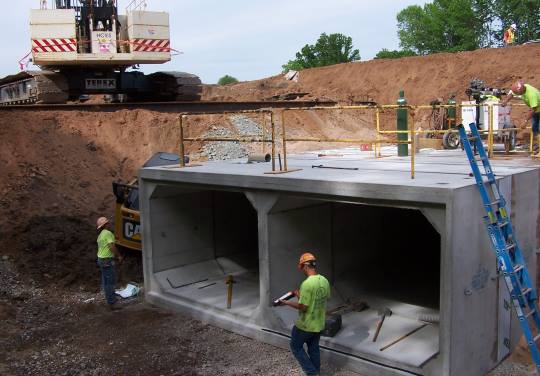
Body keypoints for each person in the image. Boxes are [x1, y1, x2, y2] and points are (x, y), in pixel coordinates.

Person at [279, 253, 330, 376]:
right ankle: (316, 372)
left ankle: (312, 373)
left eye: (301, 267)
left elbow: (303, 307)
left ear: (305, 266)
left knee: (295, 346)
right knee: (313, 348)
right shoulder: (324, 280)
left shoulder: (306, 284)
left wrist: (286, 302)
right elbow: (320, 299)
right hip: (319, 323)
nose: (301, 270)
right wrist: (300, 296)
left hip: (306, 325)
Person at [501, 81, 540, 153]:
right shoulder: (522, 89)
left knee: (538, 129)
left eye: (518, 94)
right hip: (536, 110)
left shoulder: (532, 95)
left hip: (536, 109)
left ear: (521, 91)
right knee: (535, 129)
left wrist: (525, 121)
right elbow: (512, 94)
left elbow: (533, 109)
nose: (517, 95)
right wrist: (505, 101)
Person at [96, 216, 123, 310]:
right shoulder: (108, 233)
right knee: (110, 282)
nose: (109, 224)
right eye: (108, 223)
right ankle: (112, 302)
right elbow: (111, 246)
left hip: (101, 259)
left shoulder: (100, 235)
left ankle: (110, 298)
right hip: (107, 260)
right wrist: (119, 256)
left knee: (106, 281)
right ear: (106, 225)